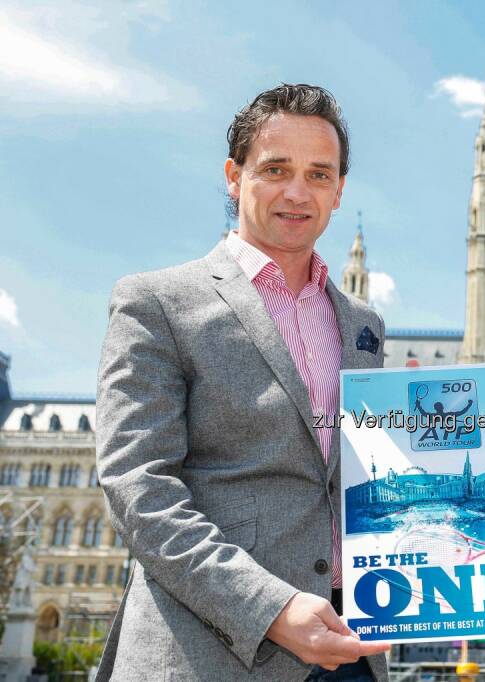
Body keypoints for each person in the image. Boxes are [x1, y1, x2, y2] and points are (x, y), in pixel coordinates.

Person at [95, 84, 390, 681]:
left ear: (339, 191)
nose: (297, 192)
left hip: (350, 651)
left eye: (319, 174)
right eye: (276, 169)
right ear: (234, 176)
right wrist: (272, 609)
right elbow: (138, 487)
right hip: (210, 654)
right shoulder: (156, 301)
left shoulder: (363, 325)